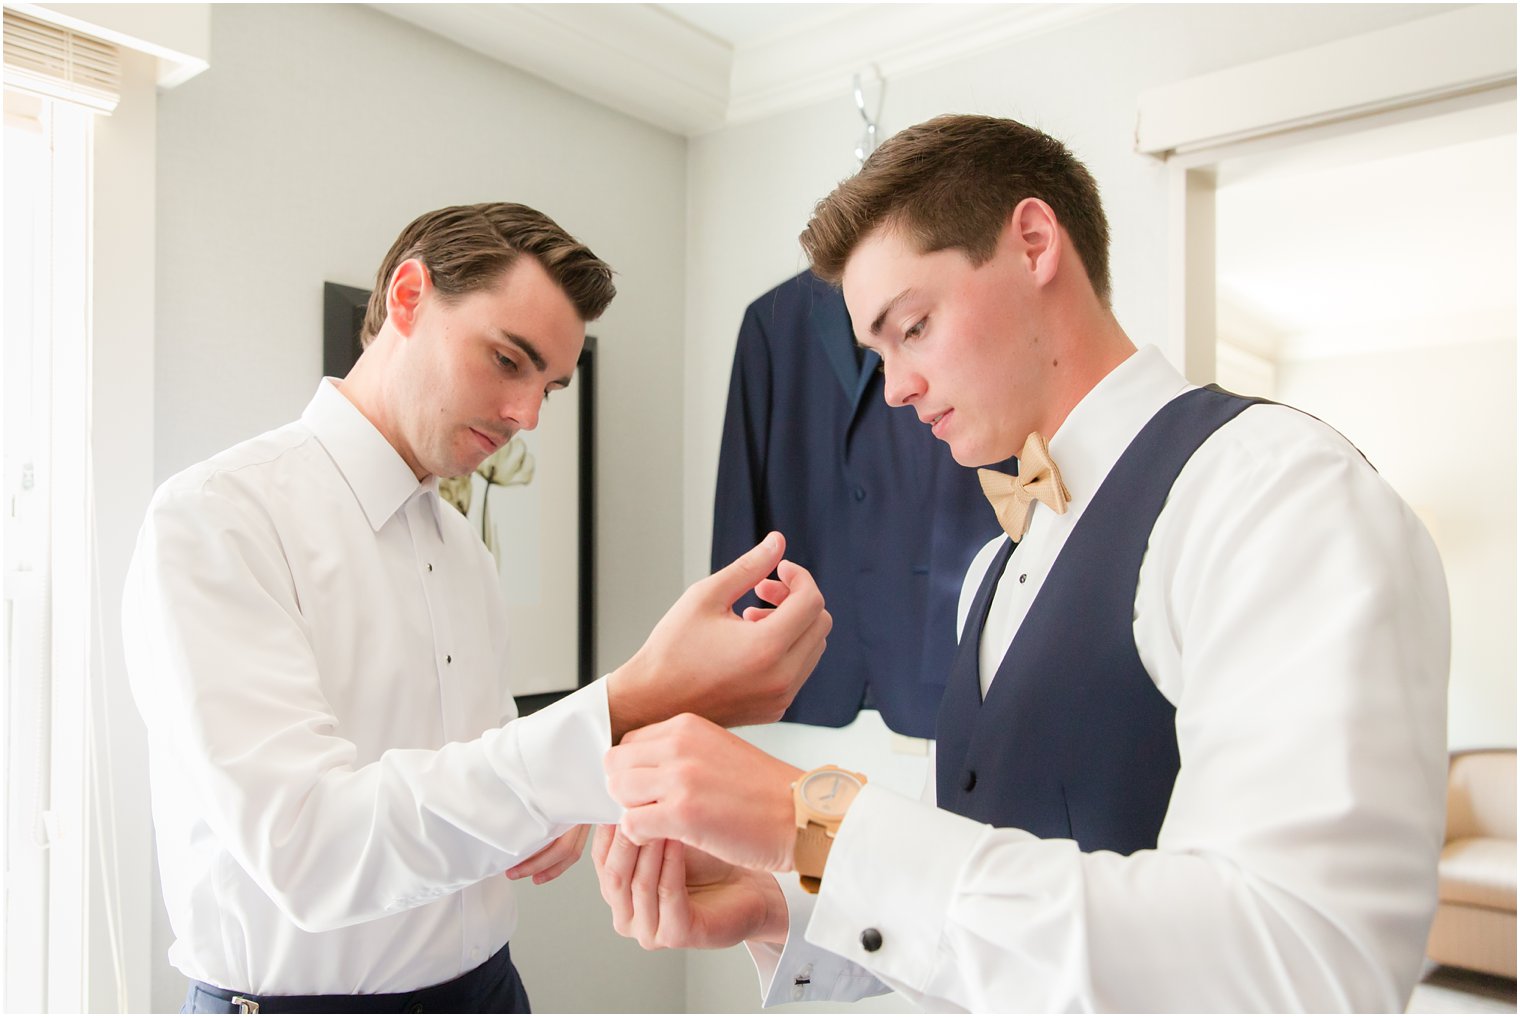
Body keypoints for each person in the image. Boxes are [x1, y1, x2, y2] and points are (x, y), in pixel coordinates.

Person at [594, 115, 1451, 1012]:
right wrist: (782, 896)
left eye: (913, 327)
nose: (893, 388)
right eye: (876, 353)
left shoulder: (1277, 494)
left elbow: (1304, 965)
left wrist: (814, 820)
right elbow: (977, 900)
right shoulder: (994, 571)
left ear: (1035, 244)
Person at [123, 202, 832, 1013]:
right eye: (507, 360)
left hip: (492, 989)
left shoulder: (463, 548)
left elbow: (475, 775)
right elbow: (309, 851)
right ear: (409, 296)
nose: (526, 415)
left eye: (549, 388)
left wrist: (569, 792)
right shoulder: (218, 519)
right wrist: (632, 700)